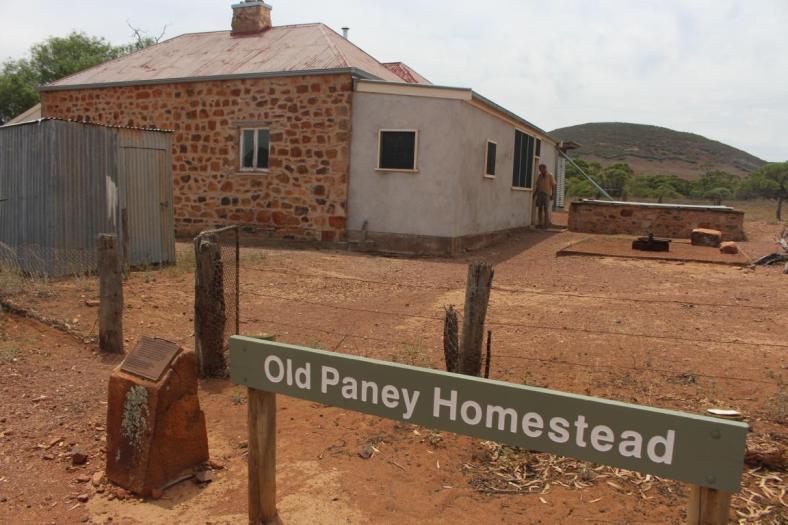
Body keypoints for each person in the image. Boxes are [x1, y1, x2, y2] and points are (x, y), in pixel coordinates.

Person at [534, 163, 556, 228]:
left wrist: (553, 194)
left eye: (541, 169)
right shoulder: (539, 176)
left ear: (544, 168)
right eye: (539, 169)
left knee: (546, 209)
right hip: (540, 193)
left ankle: (546, 224)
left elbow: (553, 185)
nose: (540, 170)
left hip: (546, 194)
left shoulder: (550, 175)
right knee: (540, 208)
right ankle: (540, 223)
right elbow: (538, 186)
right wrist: (535, 194)